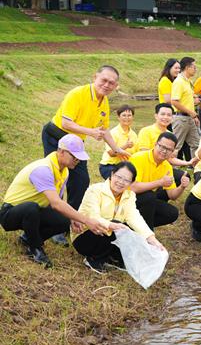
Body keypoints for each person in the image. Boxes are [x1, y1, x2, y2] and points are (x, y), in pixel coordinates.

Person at [1, 135, 108, 267]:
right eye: (74, 156)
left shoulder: (64, 171)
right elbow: (56, 204)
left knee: (63, 220)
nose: (77, 160)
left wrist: (72, 218)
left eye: (79, 157)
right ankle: (35, 248)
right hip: (10, 213)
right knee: (31, 208)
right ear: (61, 152)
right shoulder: (43, 169)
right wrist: (85, 220)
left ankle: (28, 238)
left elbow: (59, 200)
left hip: (35, 211)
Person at [42, 65, 130, 213]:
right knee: (57, 177)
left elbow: (104, 129)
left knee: (81, 181)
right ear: (95, 77)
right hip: (56, 136)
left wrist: (117, 149)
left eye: (111, 83)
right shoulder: (77, 93)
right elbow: (66, 123)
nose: (107, 85)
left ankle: (70, 218)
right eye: (104, 80)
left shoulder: (104, 101)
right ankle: (52, 221)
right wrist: (90, 132)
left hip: (76, 143)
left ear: (116, 86)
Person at [72, 162, 166, 274]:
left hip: (107, 234)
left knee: (130, 229)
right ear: (112, 174)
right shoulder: (95, 190)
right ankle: (93, 259)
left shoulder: (129, 195)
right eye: (119, 177)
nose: (121, 182)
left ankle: (112, 257)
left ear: (131, 183)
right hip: (85, 237)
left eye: (126, 180)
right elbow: (93, 217)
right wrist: (112, 225)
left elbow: (134, 217)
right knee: (117, 225)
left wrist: (152, 239)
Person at [129, 132, 190, 231]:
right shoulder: (138, 158)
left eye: (169, 149)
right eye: (162, 147)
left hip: (146, 201)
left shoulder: (167, 166)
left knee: (172, 213)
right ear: (155, 144)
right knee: (149, 196)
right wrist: (160, 182)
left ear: (173, 152)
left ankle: (136, 227)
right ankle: (146, 231)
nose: (164, 151)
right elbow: (132, 188)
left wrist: (182, 187)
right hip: (126, 199)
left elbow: (172, 195)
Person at [137, 103, 197, 183]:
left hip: (162, 168)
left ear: (172, 118)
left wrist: (188, 162)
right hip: (146, 169)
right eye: (162, 114)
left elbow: (170, 158)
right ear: (156, 116)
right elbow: (144, 154)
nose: (165, 117)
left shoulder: (171, 135)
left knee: (184, 176)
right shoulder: (146, 131)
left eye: (169, 115)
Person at [170, 56, 201, 159]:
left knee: (196, 143)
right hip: (181, 118)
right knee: (176, 145)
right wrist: (190, 112)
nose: (195, 69)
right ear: (187, 67)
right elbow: (174, 101)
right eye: (194, 67)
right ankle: (171, 167)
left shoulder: (187, 81)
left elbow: (187, 100)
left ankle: (195, 165)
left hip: (189, 117)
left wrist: (194, 115)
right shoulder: (179, 82)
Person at [99, 104, 137, 179]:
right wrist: (125, 146)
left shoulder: (134, 135)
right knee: (120, 180)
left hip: (125, 167)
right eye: (124, 115)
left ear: (133, 117)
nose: (127, 118)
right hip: (109, 165)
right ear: (118, 117)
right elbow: (111, 153)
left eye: (129, 115)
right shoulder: (113, 133)